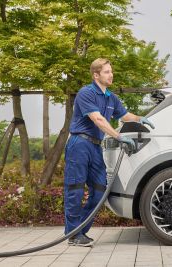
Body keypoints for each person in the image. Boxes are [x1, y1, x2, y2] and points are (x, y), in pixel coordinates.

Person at [64, 58, 155, 246]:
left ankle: (79, 231)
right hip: (79, 144)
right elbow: (98, 120)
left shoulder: (111, 97)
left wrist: (140, 118)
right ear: (96, 75)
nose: (111, 74)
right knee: (76, 190)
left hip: (96, 146)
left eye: (111, 71)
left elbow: (124, 115)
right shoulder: (86, 93)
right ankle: (73, 234)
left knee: (99, 191)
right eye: (106, 72)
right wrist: (119, 136)